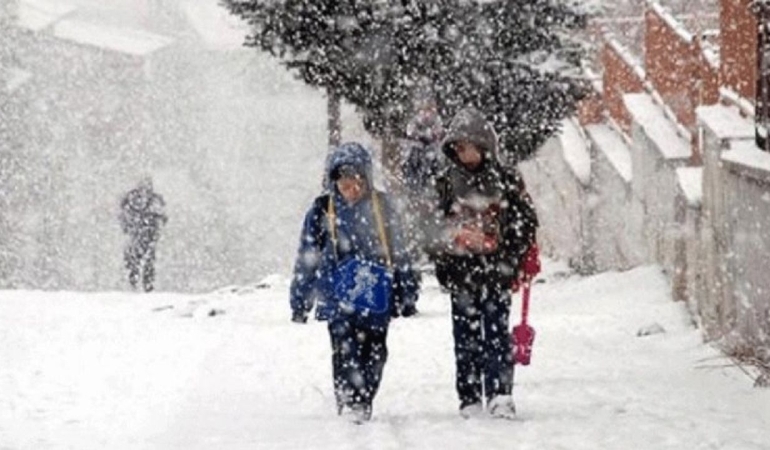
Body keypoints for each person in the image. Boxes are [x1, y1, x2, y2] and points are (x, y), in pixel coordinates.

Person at [289, 142, 420, 423]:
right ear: (334, 183)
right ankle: (349, 399)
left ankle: (364, 397)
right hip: (337, 294)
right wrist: (300, 299)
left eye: (357, 183)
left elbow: (400, 252)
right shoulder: (322, 210)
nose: (351, 190)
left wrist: (407, 292)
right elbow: (307, 256)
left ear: (367, 180)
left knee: (375, 350)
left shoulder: (383, 208)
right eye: (345, 185)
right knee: (344, 349)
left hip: (376, 294)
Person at [431, 107, 540, 419]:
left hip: (496, 271)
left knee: (496, 334)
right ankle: (469, 396)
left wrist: (510, 254)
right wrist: (449, 248)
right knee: (465, 338)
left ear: (484, 146)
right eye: (459, 149)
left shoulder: (506, 180)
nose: (464, 155)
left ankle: (500, 393)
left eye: (469, 148)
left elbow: (525, 222)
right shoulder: (446, 183)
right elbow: (432, 226)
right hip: (461, 273)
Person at [119, 177, 168, 292]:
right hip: (147, 233)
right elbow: (163, 217)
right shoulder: (155, 199)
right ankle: (145, 285)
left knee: (135, 259)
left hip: (138, 233)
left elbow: (123, 214)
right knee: (146, 260)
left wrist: (127, 226)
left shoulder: (130, 198)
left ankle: (135, 284)